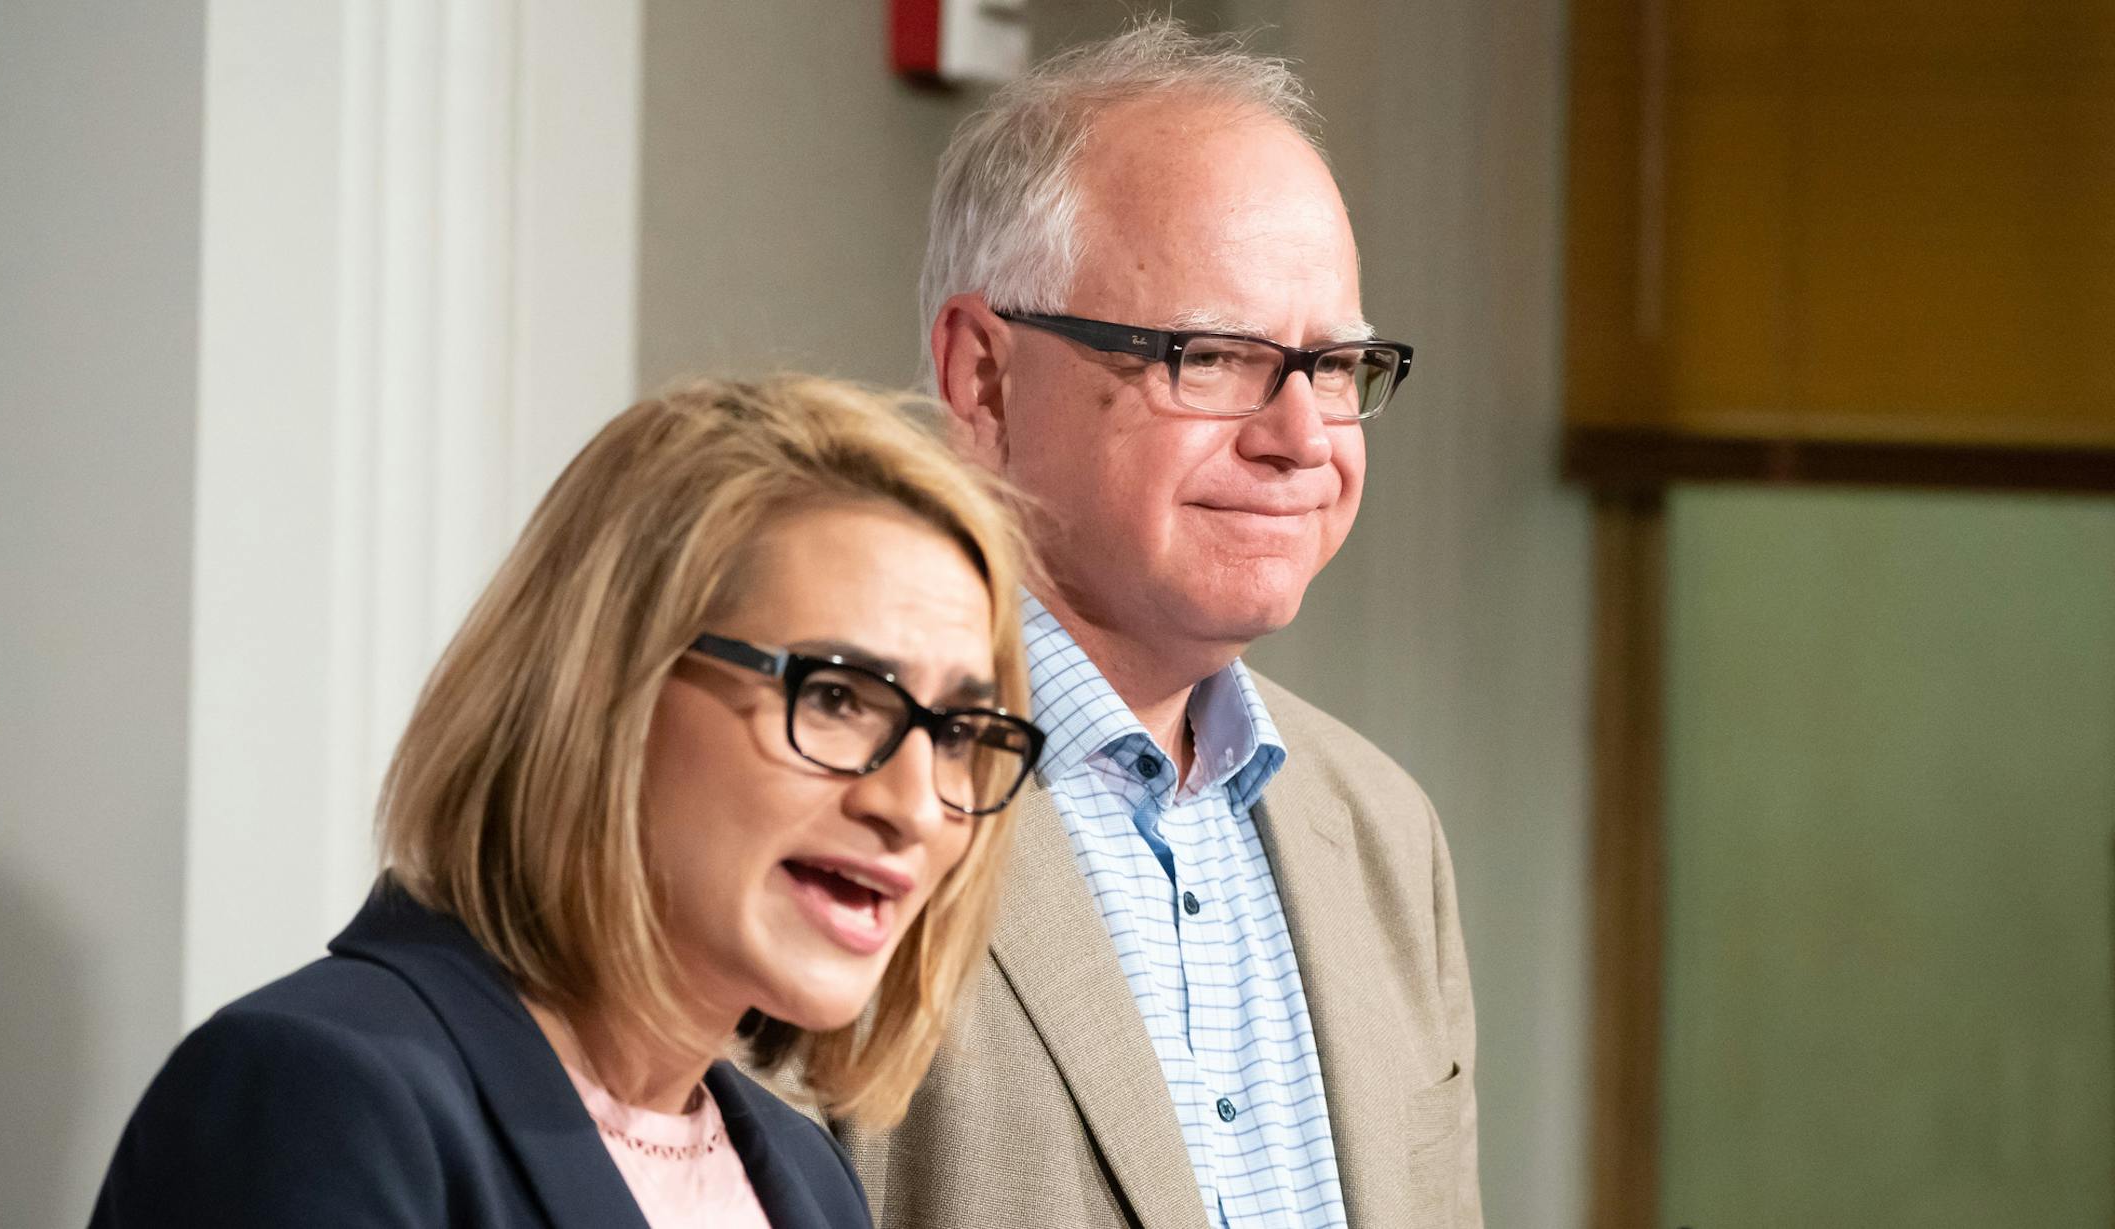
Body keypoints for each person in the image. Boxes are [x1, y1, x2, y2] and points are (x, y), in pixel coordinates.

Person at [89, 376, 1044, 1229]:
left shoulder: (808, 1177)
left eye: (961, 733)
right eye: (837, 696)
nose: (915, 806)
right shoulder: (318, 1098)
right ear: (607, 688)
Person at [842, 21, 1482, 1229]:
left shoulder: (1389, 833)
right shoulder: (830, 787)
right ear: (983, 378)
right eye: (1213, 354)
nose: (1301, 437)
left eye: (1336, 364)